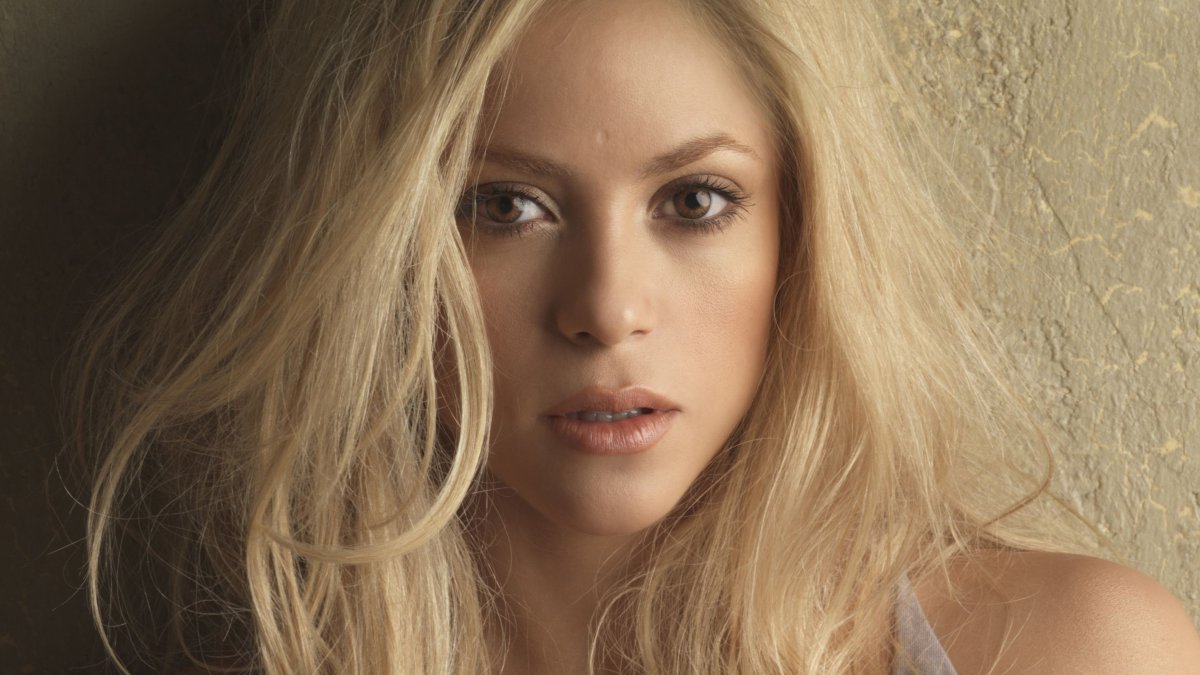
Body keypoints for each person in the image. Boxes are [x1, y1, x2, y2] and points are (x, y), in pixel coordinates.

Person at [66, 0, 1200, 673]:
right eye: (505, 205)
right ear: (377, 254)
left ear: (803, 237)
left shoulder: (1067, 652)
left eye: (695, 201)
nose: (607, 309)